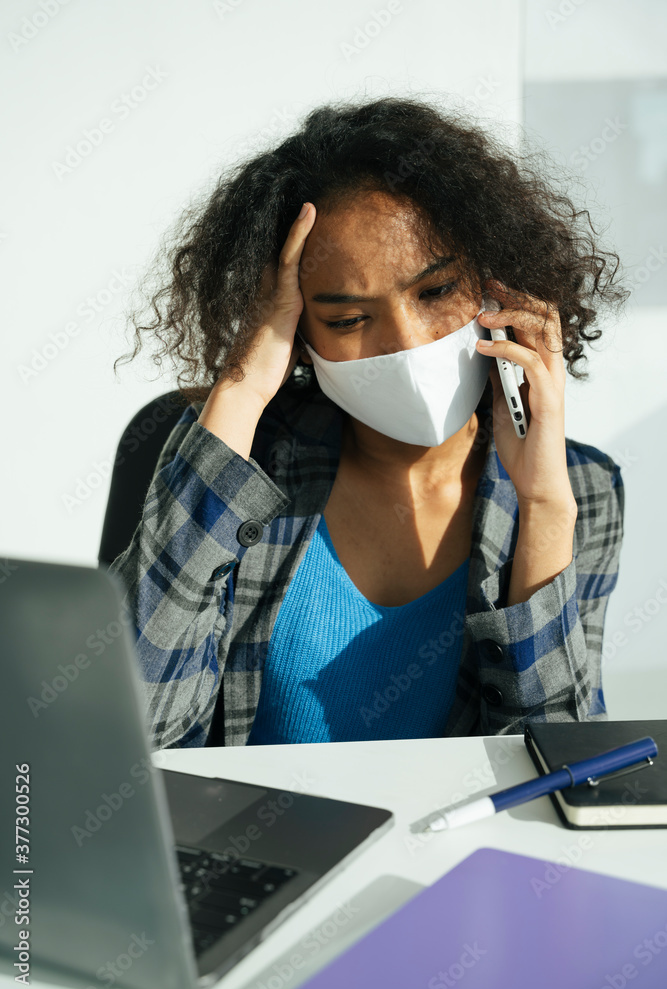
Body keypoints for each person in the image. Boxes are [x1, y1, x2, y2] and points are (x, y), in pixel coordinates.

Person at [109, 96, 628, 749]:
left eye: (436, 292)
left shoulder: (582, 489)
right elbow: (132, 736)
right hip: (267, 846)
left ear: (497, 286)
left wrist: (544, 506)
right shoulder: (242, 466)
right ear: (297, 330)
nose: (405, 342)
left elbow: (563, 771)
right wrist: (239, 388)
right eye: (349, 320)